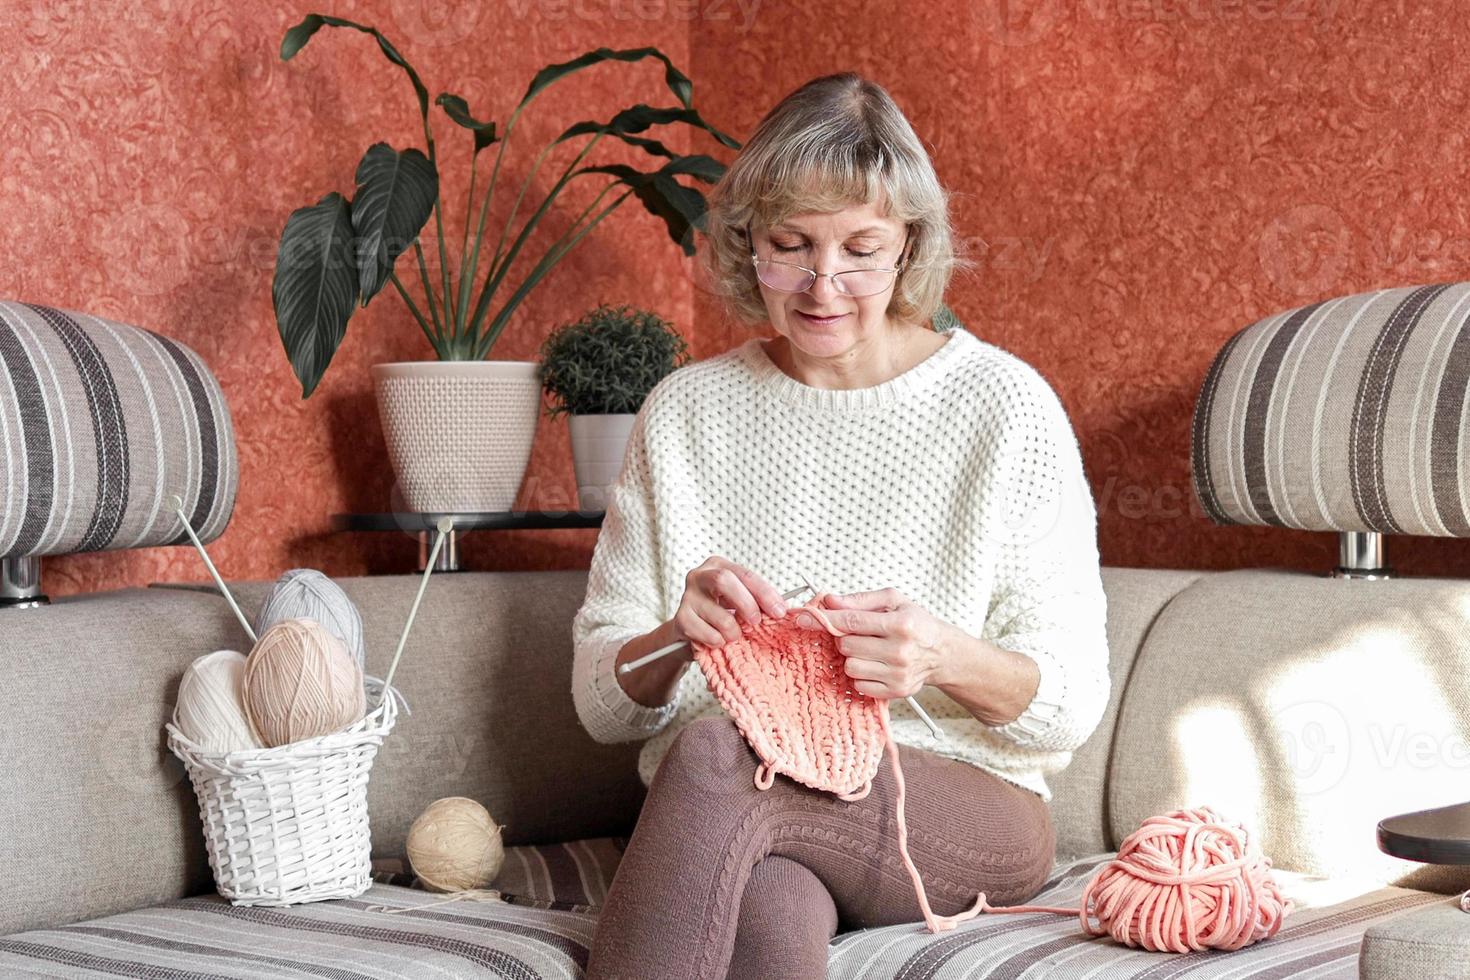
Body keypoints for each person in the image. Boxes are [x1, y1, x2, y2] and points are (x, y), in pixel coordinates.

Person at [570, 71, 1109, 980]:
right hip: (750, 812)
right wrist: (676, 637)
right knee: (771, 911)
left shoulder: (1003, 407)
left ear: (909, 249)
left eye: (862, 248)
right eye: (792, 246)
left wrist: (939, 658)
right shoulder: (685, 412)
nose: (825, 284)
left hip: (960, 806)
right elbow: (599, 698)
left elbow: (1070, 698)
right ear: (750, 248)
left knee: (714, 756)